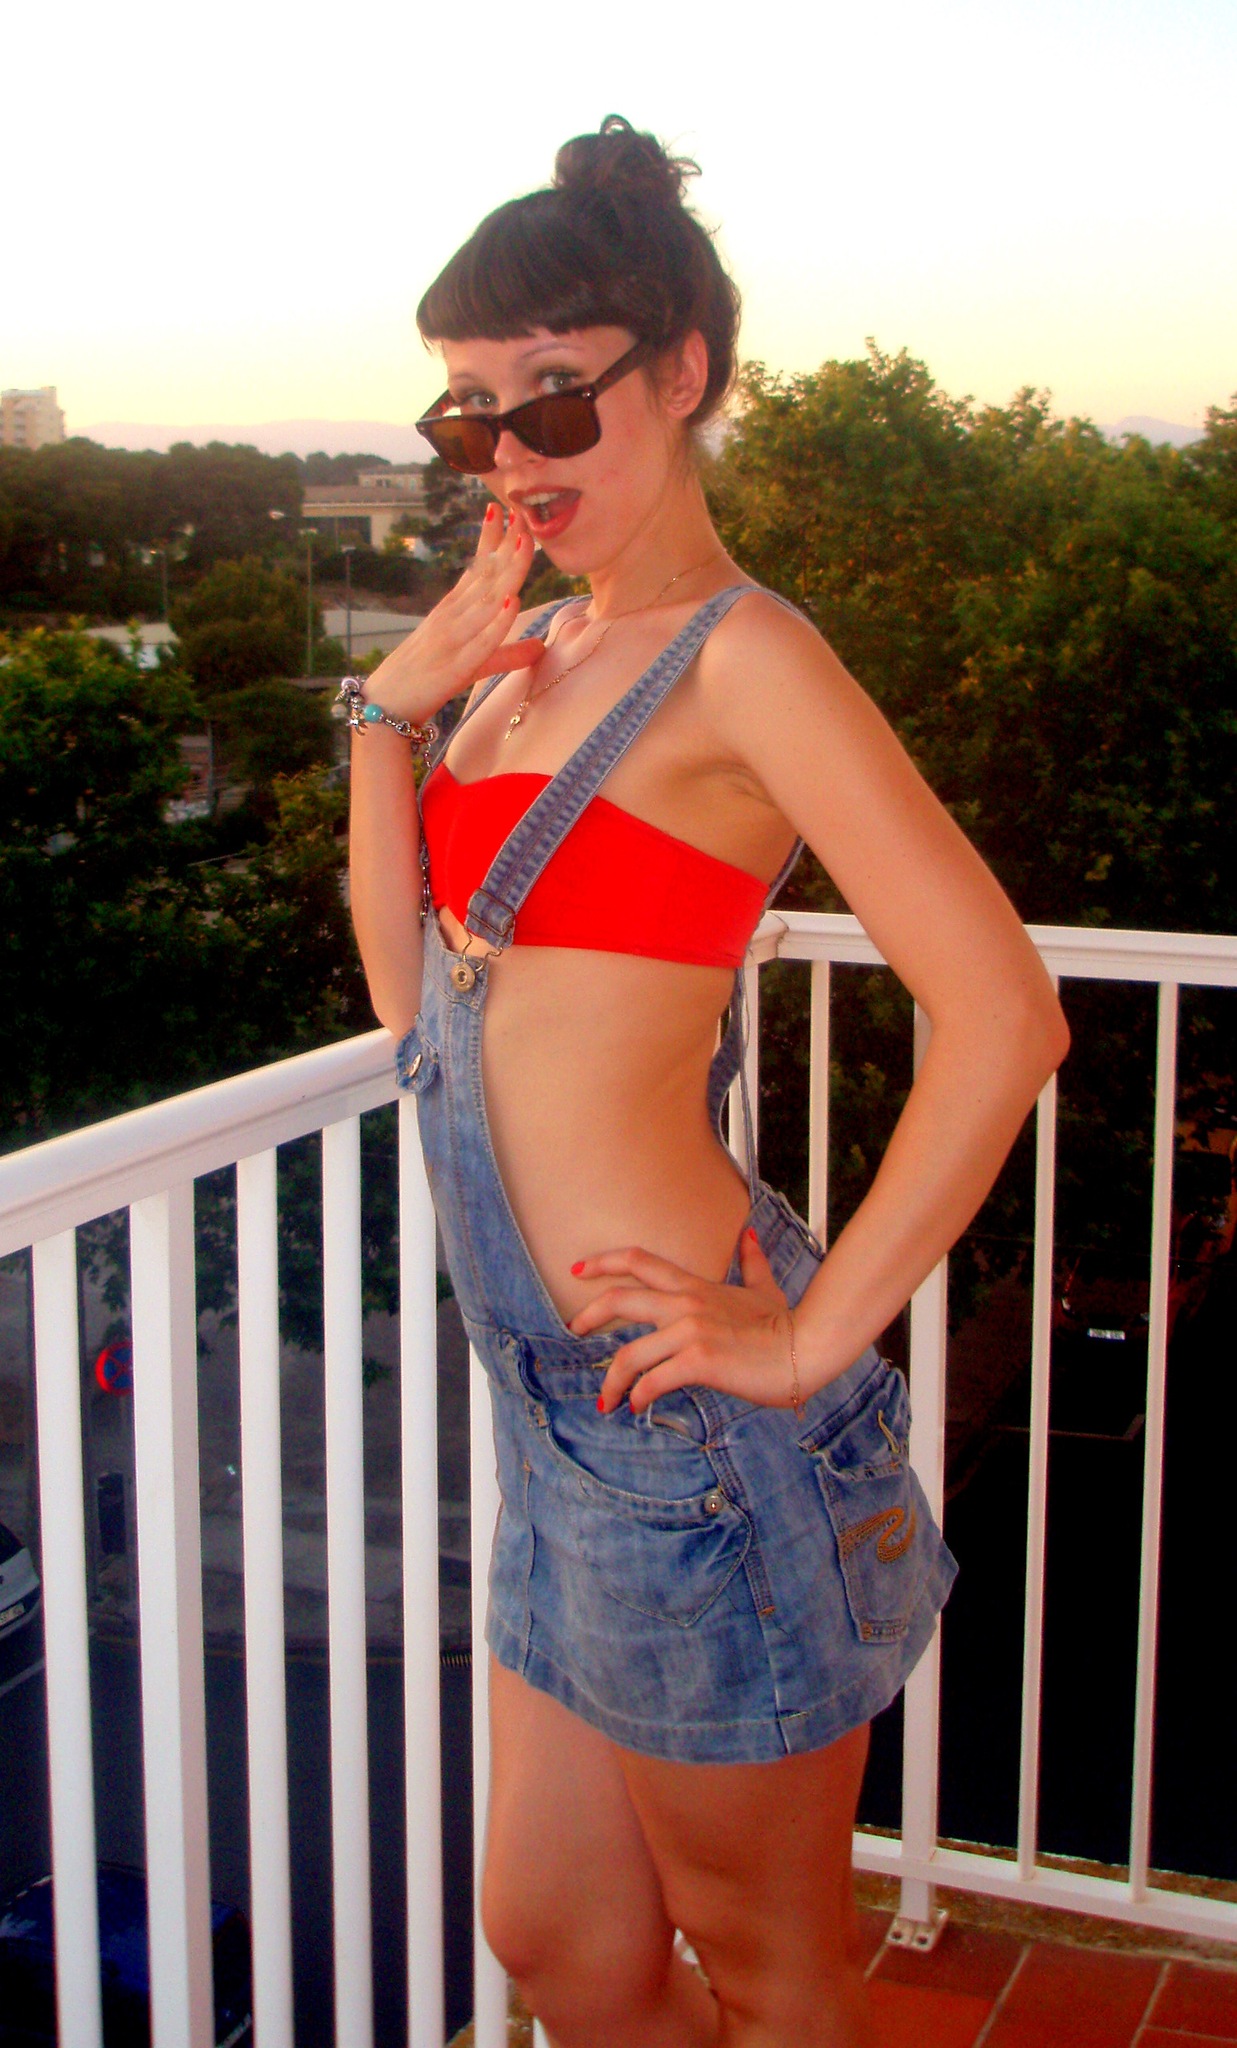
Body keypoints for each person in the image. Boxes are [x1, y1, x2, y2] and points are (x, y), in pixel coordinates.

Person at [347, 115, 1068, 2048]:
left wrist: (815, 1333)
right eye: (470, 414)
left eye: (550, 398)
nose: (509, 454)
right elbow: (419, 1005)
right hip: (548, 1408)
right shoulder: (529, 664)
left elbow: (1003, 1013)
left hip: (688, 1435)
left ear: (680, 375)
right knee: (562, 1949)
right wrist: (386, 722)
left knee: (766, 1971)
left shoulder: (747, 662)